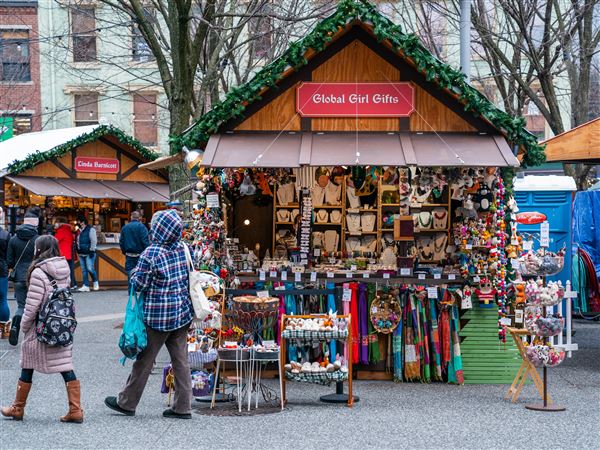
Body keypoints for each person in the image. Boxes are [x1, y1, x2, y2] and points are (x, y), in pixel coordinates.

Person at [105, 209, 193, 419]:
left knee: (144, 360)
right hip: (181, 313)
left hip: (158, 317)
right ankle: (183, 406)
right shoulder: (183, 248)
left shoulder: (151, 253)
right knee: (181, 360)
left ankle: (126, 402)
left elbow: (139, 283)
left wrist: (135, 273)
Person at [1, 235, 83, 423]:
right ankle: (76, 410)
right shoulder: (64, 269)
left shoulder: (39, 272)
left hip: (41, 327)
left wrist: (23, 326)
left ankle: (17, 408)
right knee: (64, 365)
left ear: (39, 249)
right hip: (60, 327)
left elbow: (32, 305)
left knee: (27, 363)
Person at [7, 211, 39, 345]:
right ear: (35, 224)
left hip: (19, 277)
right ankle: (36, 333)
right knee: (37, 305)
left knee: (21, 305)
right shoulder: (38, 239)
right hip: (35, 276)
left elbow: (9, 261)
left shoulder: (13, 239)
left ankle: (15, 326)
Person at [119, 211, 150, 280]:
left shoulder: (125, 227)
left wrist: (124, 252)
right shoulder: (142, 227)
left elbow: (121, 242)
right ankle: (137, 290)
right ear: (139, 218)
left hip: (129, 255)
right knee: (141, 277)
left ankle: (131, 291)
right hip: (140, 255)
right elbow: (145, 242)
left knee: (130, 277)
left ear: (131, 217)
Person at [76, 217, 98, 292]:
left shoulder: (91, 229)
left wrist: (92, 250)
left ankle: (95, 281)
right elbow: (77, 240)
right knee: (84, 270)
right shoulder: (78, 230)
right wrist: (78, 249)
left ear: (83, 222)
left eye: (79, 222)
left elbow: (93, 241)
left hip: (89, 252)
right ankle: (86, 285)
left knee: (90, 268)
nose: (78, 223)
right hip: (81, 252)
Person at [54, 217, 77, 290]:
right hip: (69, 254)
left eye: (56, 222)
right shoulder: (68, 230)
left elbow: (54, 240)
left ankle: (68, 285)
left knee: (64, 271)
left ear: (60, 223)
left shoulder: (61, 231)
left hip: (63, 254)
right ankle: (73, 284)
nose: (55, 224)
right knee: (70, 270)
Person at [0, 222, 10, 337]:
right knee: (2, 299)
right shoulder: (5, 235)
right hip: (1, 269)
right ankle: (3, 329)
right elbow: (8, 255)